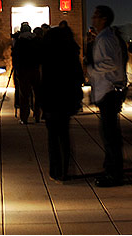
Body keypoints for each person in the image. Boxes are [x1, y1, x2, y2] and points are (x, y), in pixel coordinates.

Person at [87, 5, 127, 187]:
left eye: (96, 16)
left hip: (109, 91)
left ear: (103, 19)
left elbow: (110, 63)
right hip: (109, 90)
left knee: (110, 134)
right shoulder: (106, 37)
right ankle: (111, 168)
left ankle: (114, 173)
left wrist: (91, 70)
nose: (92, 18)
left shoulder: (105, 39)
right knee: (109, 133)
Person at [40, 25, 84, 182]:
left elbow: (44, 79)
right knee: (64, 134)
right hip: (67, 98)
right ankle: (65, 169)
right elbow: (79, 76)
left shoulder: (47, 54)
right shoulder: (71, 52)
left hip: (51, 98)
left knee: (53, 136)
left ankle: (56, 169)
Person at [13, 22, 42, 123]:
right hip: (35, 69)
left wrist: (16, 69)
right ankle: (37, 115)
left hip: (23, 70)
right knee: (37, 93)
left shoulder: (19, 41)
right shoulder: (36, 40)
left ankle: (24, 117)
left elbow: (15, 56)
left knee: (24, 94)